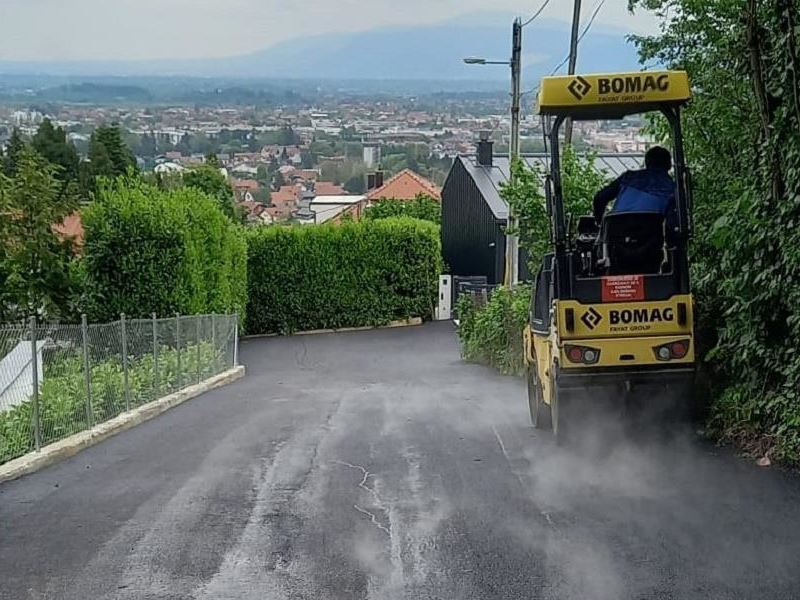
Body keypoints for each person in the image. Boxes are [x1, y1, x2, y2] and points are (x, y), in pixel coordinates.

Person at [592, 146, 677, 233]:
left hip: (615, 235)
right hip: (649, 239)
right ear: (669, 165)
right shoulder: (672, 189)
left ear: (646, 163)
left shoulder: (628, 178)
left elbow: (599, 198)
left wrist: (600, 225)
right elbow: (672, 224)